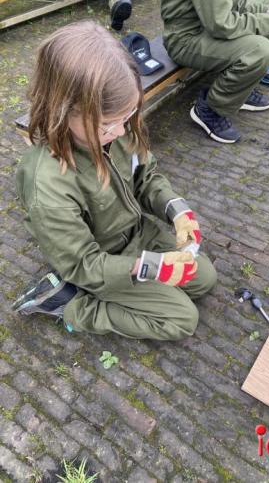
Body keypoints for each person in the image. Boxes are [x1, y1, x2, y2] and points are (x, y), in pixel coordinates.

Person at [12, 21, 217, 341]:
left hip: (136, 235)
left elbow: (145, 176)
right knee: (181, 319)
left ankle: (132, 283)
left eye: (127, 117)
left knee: (203, 278)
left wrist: (176, 210)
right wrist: (148, 267)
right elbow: (83, 264)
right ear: (64, 110)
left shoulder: (117, 128)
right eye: (109, 124)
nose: (122, 132)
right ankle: (70, 306)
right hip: (99, 264)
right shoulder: (47, 184)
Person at [161, 0, 269, 143]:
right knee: (260, 51)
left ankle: (240, 90)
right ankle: (210, 109)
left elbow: (229, 1)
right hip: (187, 39)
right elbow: (222, 24)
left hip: (206, 27)